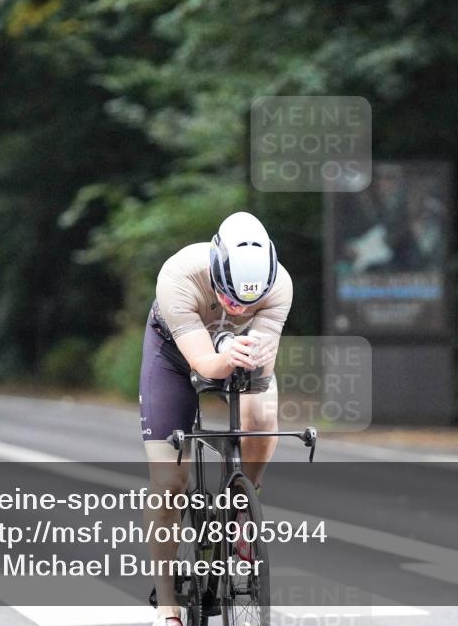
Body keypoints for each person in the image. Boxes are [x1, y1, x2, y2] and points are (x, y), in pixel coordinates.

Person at [139, 211, 293, 626]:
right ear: (215, 267)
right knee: (169, 482)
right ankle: (168, 603)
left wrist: (249, 352)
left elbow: (261, 367)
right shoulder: (178, 276)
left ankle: (245, 500)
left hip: (237, 352)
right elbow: (205, 365)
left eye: (248, 302)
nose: (237, 307)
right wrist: (225, 353)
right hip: (174, 355)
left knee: (261, 415)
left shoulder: (280, 285)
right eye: (228, 296)